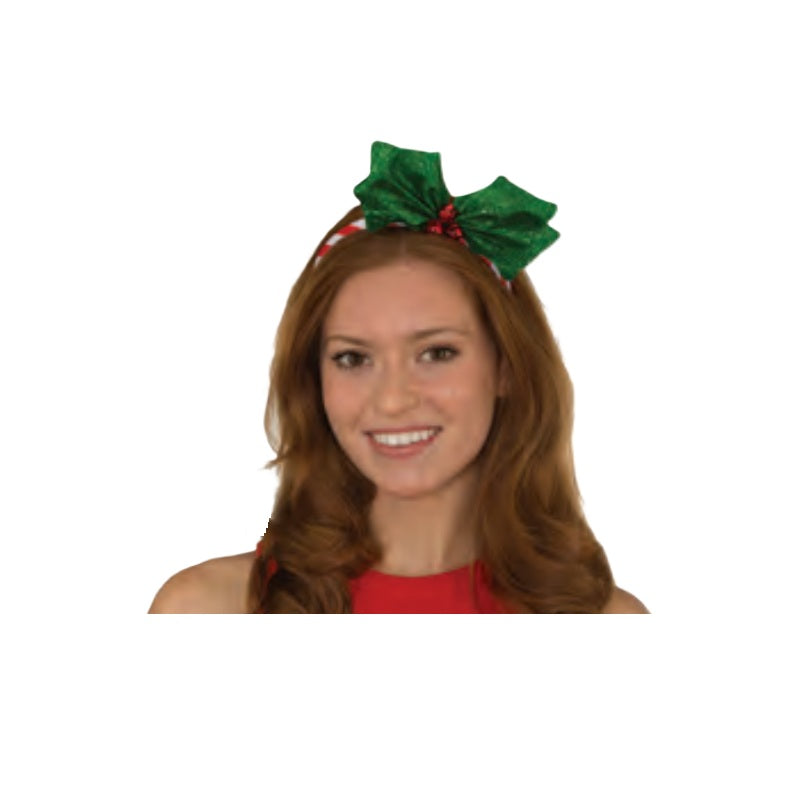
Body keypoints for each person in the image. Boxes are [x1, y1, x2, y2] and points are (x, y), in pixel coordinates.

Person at [149, 142, 649, 614]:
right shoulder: (210, 608)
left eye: (436, 353)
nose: (391, 400)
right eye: (352, 358)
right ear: (313, 379)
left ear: (507, 367)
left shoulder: (607, 621)